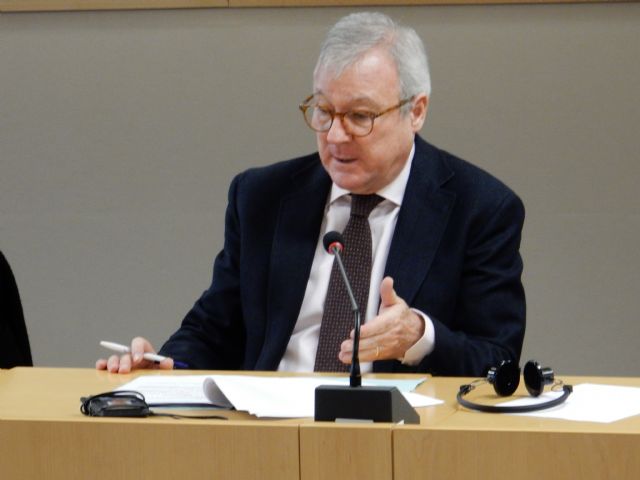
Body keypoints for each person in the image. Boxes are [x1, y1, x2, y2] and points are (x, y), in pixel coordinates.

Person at [96, 12, 525, 377]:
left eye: (359, 116)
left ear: (416, 111)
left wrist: (419, 336)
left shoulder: (479, 209)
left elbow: (498, 358)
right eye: (323, 111)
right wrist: (166, 367)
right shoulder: (262, 196)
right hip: (269, 433)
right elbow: (214, 328)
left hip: (399, 439)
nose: (336, 135)